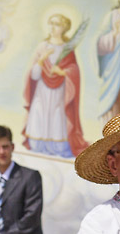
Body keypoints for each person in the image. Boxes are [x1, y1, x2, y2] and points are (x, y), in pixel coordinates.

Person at [22, 13, 90, 158]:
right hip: (42, 91)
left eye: (57, 24)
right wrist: (42, 59)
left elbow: (74, 71)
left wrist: (62, 71)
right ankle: (38, 144)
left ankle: (57, 147)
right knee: (40, 112)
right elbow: (34, 75)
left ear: (64, 28)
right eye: (51, 23)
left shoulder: (67, 49)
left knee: (57, 115)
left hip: (60, 91)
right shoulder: (42, 46)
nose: (53, 27)